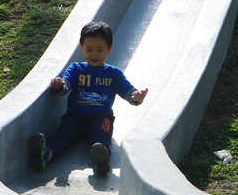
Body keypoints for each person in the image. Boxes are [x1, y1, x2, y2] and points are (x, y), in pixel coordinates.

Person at [28, 21, 148, 176]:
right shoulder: (76, 68)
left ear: (109, 49)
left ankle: (101, 158)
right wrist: (58, 86)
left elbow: (128, 92)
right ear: (82, 47)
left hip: (101, 116)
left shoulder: (113, 73)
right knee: (63, 134)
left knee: (101, 134)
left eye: (100, 50)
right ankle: (45, 155)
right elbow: (66, 86)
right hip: (75, 115)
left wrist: (136, 97)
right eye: (89, 49)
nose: (94, 55)